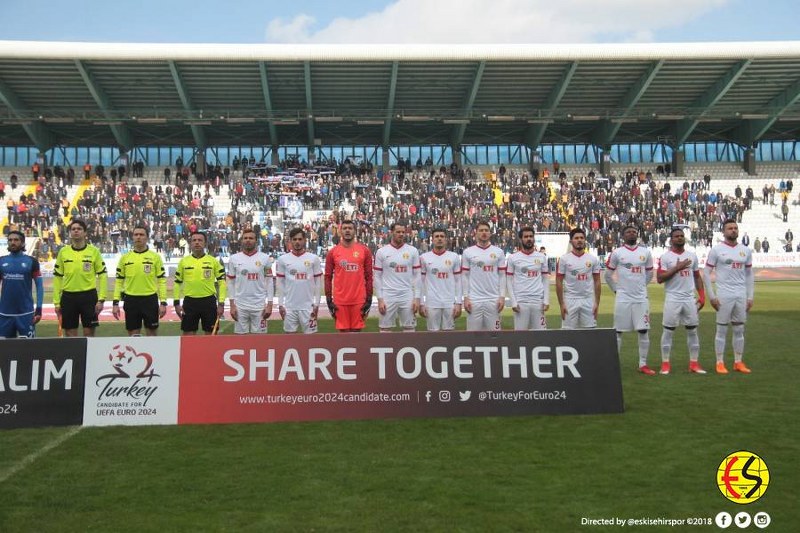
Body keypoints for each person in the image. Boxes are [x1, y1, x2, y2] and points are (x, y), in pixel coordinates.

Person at [703, 219, 754, 374]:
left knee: (739, 329)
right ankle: (719, 362)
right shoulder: (717, 250)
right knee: (722, 330)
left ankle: (738, 362)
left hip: (740, 295)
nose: (733, 230)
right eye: (730, 228)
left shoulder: (745, 250)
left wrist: (750, 297)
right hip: (724, 295)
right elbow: (705, 273)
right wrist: (712, 296)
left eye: (735, 228)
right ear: (723, 232)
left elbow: (749, 274)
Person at [605, 225, 655, 375]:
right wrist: (616, 289)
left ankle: (643, 364)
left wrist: (640, 286)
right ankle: (614, 364)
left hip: (641, 298)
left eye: (634, 231)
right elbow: (607, 275)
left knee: (643, 330)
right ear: (623, 236)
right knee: (618, 331)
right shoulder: (617, 253)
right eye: (628, 232)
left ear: (637, 234)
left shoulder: (645, 252)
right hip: (623, 298)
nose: (631, 234)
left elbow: (650, 274)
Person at [656, 227, 706, 374]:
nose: (679, 238)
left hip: (689, 298)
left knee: (692, 330)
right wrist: (677, 267)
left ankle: (694, 364)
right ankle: (665, 363)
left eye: (681, 236)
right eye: (676, 236)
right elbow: (660, 278)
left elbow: (697, 276)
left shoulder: (692, 256)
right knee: (668, 330)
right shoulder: (666, 257)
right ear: (671, 240)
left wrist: (702, 296)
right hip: (673, 297)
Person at [53, 219, 108, 337]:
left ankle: (89, 356)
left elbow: (102, 275)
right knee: (70, 334)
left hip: (89, 296)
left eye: (79, 229)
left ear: (85, 233)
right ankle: (74, 356)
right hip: (68, 297)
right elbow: (57, 277)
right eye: (73, 229)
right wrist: (56, 302)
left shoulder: (94, 252)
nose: (76, 231)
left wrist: (101, 299)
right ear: (70, 233)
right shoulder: (63, 252)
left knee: (89, 334)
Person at [112, 225, 167, 336]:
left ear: (147, 238)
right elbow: (119, 282)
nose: (138, 237)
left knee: (152, 335)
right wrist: (115, 303)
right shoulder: (125, 258)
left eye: (141, 235)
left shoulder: (155, 257)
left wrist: (163, 302)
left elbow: (161, 281)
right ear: (132, 237)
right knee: (133, 335)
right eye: (136, 234)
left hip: (150, 299)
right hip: (131, 300)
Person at [173, 232, 227, 335]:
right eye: (194, 240)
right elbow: (177, 283)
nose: (197, 242)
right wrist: (176, 303)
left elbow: (222, 282)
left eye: (200, 240)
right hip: (189, 303)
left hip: (209, 302)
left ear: (205, 243)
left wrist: (221, 303)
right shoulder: (184, 262)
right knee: (188, 336)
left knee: (211, 335)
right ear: (190, 243)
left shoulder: (213, 261)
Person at [324, 220, 373, 332]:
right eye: (345, 228)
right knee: (344, 336)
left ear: (355, 231)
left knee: (356, 335)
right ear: (340, 231)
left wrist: (369, 298)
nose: (347, 230)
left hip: (359, 300)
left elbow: (369, 276)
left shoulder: (364, 251)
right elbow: (327, 277)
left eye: (350, 228)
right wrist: (328, 299)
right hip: (340, 301)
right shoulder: (332, 253)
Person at [373, 222, 421, 332]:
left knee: (409, 327)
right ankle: (386, 349)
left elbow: (417, 275)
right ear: (391, 233)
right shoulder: (382, 252)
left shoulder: (412, 251)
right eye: (398, 232)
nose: (401, 234)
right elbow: (377, 276)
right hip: (388, 295)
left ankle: (409, 349)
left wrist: (416, 298)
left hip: (407, 295)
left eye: (403, 232)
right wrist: (380, 299)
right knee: (385, 329)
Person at [461, 221, 506, 331]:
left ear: (490, 233)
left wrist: (502, 297)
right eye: (481, 230)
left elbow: (502, 276)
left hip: (493, 300)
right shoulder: (468, 252)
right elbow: (465, 276)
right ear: (476, 233)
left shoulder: (498, 252)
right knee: (473, 336)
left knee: (495, 335)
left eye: (486, 230)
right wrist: (466, 298)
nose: (484, 233)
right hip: (474, 300)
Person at [226, 229, 273, 334]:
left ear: (256, 241)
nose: (248, 240)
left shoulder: (265, 258)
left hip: (259, 306)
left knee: (260, 341)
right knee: (241, 340)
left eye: (251, 238)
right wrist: (232, 305)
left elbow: (269, 282)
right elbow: (231, 283)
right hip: (240, 306)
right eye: (245, 238)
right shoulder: (234, 258)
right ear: (242, 240)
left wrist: (269, 304)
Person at [276, 227, 322, 334]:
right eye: (294, 239)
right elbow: (280, 284)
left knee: (311, 341)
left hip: (308, 307)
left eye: (300, 239)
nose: (297, 242)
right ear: (290, 241)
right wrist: (280, 304)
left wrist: (317, 304)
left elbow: (318, 283)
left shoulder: (313, 259)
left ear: (305, 240)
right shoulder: (283, 260)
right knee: (290, 340)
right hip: (290, 307)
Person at [0, 231, 43, 338]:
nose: (12, 242)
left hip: (26, 314)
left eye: (16, 240)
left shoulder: (32, 262)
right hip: (4, 314)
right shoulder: (1, 261)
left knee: (29, 350)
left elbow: (39, 287)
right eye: (10, 240)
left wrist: (38, 310)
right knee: (4, 350)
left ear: (23, 243)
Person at [556, 228, 601, 329]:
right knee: (568, 333)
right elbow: (558, 281)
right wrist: (561, 304)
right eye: (576, 238)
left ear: (585, 240)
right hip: (570, 300)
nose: (579, 240)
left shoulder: (593, 259)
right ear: (571, 241)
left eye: (581, 238)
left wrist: (597, 303)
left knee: (590, 332)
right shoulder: (564, 259)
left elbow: (597, 281)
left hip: (588, 299)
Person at [506, 226, 550, 331]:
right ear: (521, 239)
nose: (529, 238)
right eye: (526, 237)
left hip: (537, 301)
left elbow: (545, 279)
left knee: (541, 334)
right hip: (521, 302)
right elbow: (509, 280)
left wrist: (546, 300)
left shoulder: (541, 257)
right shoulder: (513, 258)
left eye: (531, 236)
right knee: (521, 336)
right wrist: (513, 301)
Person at [419, 228, 462, 331]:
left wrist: (459, 303)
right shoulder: (424, 257)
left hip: (449, 302)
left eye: (442, 236)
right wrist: (421, 303)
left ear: (446, 239)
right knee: (433, 334)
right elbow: (420, 282)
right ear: (432, 239)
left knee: (449, 333)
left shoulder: (454, 257)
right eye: (436, 236)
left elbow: (458, 281)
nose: (439, 239)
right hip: (432, 302)